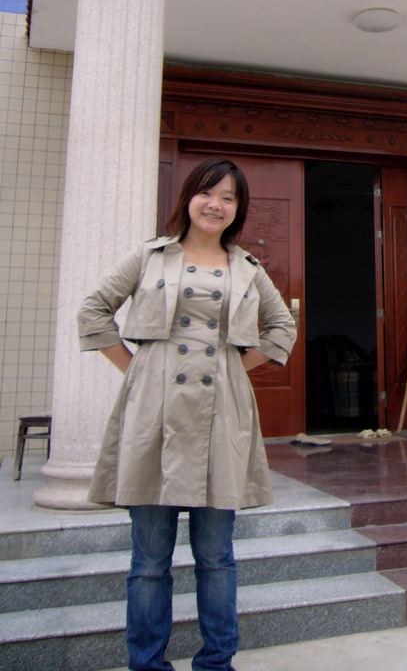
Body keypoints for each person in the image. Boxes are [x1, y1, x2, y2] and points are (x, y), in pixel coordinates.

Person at [78, 157, 297, 671]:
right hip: (154, 414)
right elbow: (93, 310)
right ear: (189, 197)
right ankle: (147, 664)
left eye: (228, 197)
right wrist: (135, 369)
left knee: (216, 556)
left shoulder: (248, 268)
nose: (216, 203)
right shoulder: (149, 257)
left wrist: (235, 369)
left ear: (237, 209)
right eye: (207, 192)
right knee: (150, 560)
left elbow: (281, 327)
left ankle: (216, 662)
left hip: (221, 417)